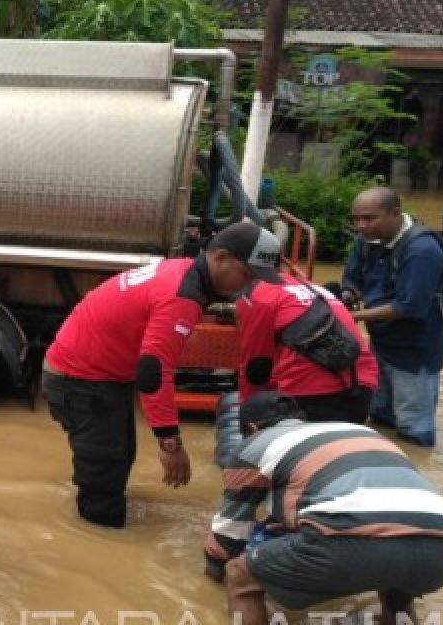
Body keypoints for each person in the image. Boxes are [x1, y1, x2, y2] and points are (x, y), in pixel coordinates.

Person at [42, 220, 284, 528]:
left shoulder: (186, 271)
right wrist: (171, 445)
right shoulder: (182, 296)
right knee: (105, 470)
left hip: (99, 372)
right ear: (220, 258)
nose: (249, 286)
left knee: (117, 457)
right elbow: (153, 372)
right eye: (247, 275)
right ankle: (97, 542)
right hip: (80, 378)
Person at [205, 390, 443, 625]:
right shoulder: (360, 432)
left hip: (347, 544)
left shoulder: (253, 445)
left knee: (239, 573)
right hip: (442, 550)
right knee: (395, 578)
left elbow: (230, 531)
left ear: (250, 428)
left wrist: (215, 570)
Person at [341, 186, 443, 446]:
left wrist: (353, 318)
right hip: (381, 342)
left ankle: (416, 469)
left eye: (369, 218)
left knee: (414, 429)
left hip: (415, 350)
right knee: (379, 415)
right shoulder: (366, 241)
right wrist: (348, 295)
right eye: (356, 219)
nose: (361, 226)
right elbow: (353, 276)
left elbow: (409, 306)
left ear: (395, 214)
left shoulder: (422, 251)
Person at [234, 273, 377, 424]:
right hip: (361, 385)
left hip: (309, 392)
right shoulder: (307, 286)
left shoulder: (254, 297)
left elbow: (255, 368)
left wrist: (248, 412)